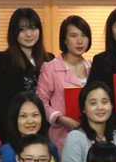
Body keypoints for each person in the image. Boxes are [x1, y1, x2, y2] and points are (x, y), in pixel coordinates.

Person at [0, 8, 53, 125]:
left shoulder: (49, 59)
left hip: (46, 126)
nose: (28, 34)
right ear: (13, 33)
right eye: (22, 29)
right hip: (13, 127)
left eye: (33, 28)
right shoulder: (1, 61)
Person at [38, 15, 93, 152]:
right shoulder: (51, 68)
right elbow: (40, 102)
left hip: (91, 134)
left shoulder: (93, 67)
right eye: (73, 36)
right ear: (64, 39)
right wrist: (60, 119)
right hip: (62, 135)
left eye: (84, 35)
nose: (80, 41)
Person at [0, 91, 60, 162]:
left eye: (35, 115)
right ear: (14, 119)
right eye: (23, 116)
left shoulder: (50, 146)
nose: (30, 121)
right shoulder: (7, 153)